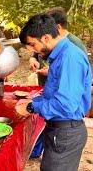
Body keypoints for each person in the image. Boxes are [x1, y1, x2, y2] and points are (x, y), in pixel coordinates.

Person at [17, 14, 91, 171]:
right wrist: (34, 102)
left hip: (66, 133)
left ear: (45, 38)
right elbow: (54, 94)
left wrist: (31, 107)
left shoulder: (70, 57)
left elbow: (66, 105)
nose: (31, 50)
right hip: (59, 130)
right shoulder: (60, 55)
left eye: (32, 44)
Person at [29, 7, 87, 85]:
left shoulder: (75, 44)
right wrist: (33, 58)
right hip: (45, 88)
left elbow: (79, 73)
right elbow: (38, 50)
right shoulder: (48, 39)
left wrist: (52, 72)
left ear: (58, 27)